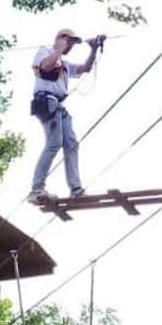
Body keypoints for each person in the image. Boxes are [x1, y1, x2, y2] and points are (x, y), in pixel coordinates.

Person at [27, 28, 104, 204]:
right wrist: (59, 49)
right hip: (46, 101)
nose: (71, 46)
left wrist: (93, 49)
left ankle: (76, 190)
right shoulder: (45, 52)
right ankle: (36, 189)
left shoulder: (64, 64)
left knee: (71, 143)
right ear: (62, 39)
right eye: (70, 42)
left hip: (58, 105)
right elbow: (45, 67)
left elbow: (85, 68)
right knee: (54, 142)